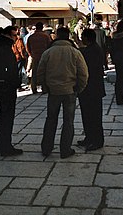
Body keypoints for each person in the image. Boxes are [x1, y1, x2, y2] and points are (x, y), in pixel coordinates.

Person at [37, 27, 88, 159]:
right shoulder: (74, 52)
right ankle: (65, 149)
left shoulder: (48, 52)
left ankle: (46, 148)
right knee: (68, 121)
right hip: (69, 91)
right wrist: (79, 88)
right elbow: (83, 73)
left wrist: (45, 86)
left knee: (51, 119)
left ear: (57, 36)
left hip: (53, 91)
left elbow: (40, 71)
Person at [0, 25, 23, 156]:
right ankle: (5, 146)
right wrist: (15, 83)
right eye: (14, 35)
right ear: (8, 35)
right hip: (6, 85)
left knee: (3, 113)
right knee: (7, 115)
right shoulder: (5, 48)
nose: (16, 38)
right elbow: (11, 69)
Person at [78, 28, 106, 151]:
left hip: (92, 87)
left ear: (87, 38)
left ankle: (97, 140)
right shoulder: (93, 49)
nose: (81, 39)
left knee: (94, 115)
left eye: (82, 37)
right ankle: (89, 137)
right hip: (89, 87)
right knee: (87, 114)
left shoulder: (92, 51)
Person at [26, 22, 51, 94]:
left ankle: (34, 88)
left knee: (34, 73)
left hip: (35, 56)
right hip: (44, 56)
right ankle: (44, 88)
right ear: (42, 27)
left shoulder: (31, 37)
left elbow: (28, 48)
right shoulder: (45, 36)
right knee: (44, 72)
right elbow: (49, 45)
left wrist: (31, 54)